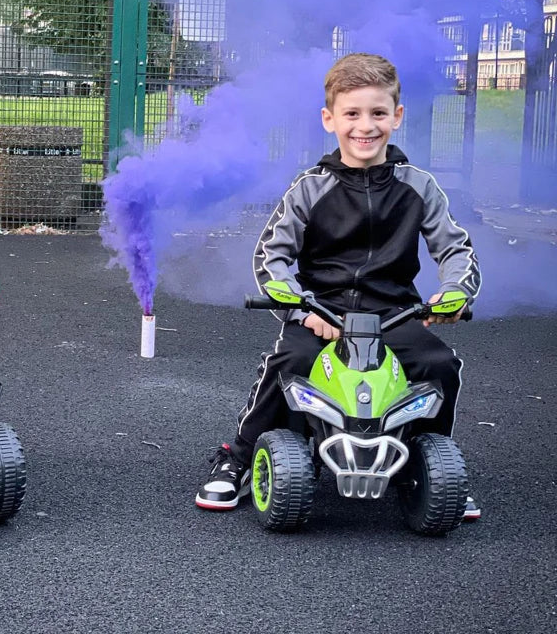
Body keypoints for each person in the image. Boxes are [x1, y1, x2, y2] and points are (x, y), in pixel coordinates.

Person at [195, 52, 482, 520]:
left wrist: (454, 293)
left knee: (438, 363)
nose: (364, 126)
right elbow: (272, 255)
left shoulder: (419, 186)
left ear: (397, 116)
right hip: (322, 311)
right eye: (351, 114)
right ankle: (239, 456)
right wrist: (299, 309)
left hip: (394, 314)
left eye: (377, 113)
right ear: (330, 119)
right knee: (292, 360)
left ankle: (432, 467)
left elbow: (456, 250)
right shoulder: (310, 187)